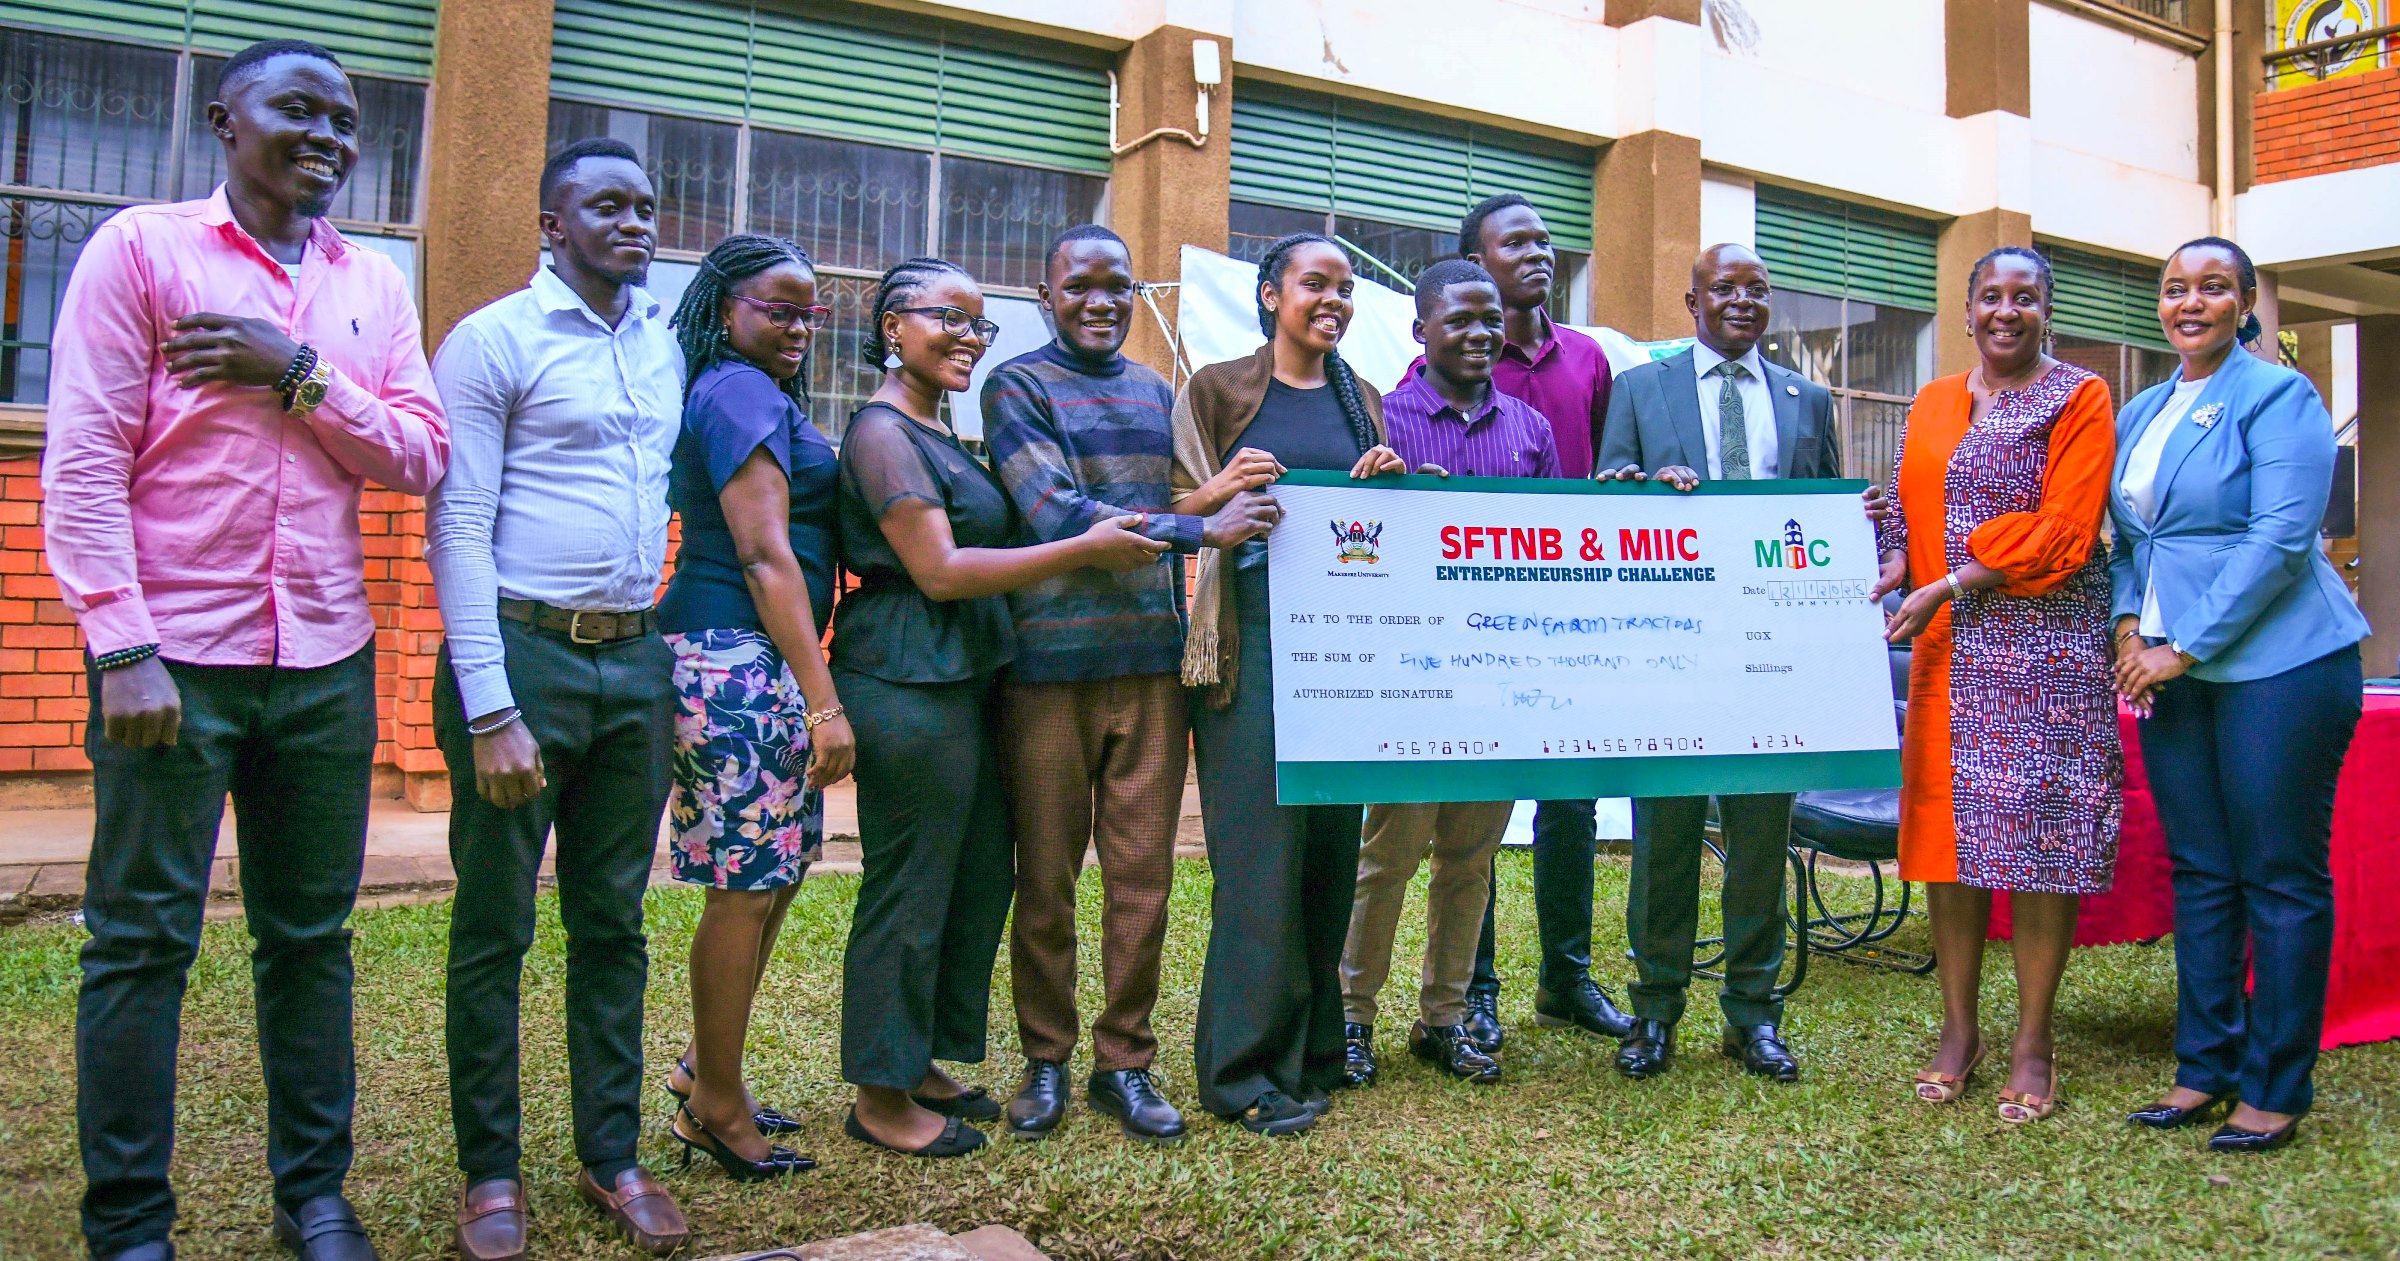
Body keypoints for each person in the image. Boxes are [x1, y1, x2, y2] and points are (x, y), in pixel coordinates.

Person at [43, 39, 447, 1261]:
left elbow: (419, 453)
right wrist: (120, 646)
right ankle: (127, 1225)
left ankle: (313, 1199)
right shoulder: (142, 251)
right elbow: (84, 457)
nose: (329, 134)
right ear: (226, 119)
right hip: (175, 658)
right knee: (140, 939)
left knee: (308, 938)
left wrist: (301, 375)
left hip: (325, 659)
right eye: (300, 110)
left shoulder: (372, 285)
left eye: (347, 119)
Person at [835, 257, 1169, 1158]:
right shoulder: (880, 434)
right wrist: (1082, 553)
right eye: (948, 317)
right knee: (907, 886)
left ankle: (916, 1063)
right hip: (909, 678)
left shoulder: (931, 426)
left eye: (979, 326)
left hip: (967, 676)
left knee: (971, 873)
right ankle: (878, 1091)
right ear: (892, 324)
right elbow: (940, 570)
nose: (968, 340)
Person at [424, 138, 688, 1257]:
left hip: (632, 659)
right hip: (522, 654)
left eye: (644, 206)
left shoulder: (662, 344)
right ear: (550, 224)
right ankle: (490, 1175)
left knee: (612, 922)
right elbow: (457, 523)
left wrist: (654, 669)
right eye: (606, 206)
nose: (633, 223)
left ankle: (611, 1155)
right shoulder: (492, 340)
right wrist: (490, 706)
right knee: (495, 924)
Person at [982, 226, 1279, 1145]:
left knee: (1143, 880)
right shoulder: (1016, 386)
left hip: (1151, 666)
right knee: (1049, 878)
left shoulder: (1160, 393)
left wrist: (1225, 504)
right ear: (1045, 293)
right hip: (1046, 671)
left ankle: (1126, 1062)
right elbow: (1055, 512)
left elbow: (1196, 497)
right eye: (1081, 286)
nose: (1103, 301)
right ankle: (1045, 1059)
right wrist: (1203, 529)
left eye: (1118, 285)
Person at [2112, 238, 2370, 1153]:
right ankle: (2204, 1068)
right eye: (2175, 289)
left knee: (2279, 875)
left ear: (2246, 301)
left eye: (2212, 288)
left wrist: (2182, 644)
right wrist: (2127, 631)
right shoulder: (2144, 408)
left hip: (2282, 668)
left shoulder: (2278, 395)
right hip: (2170, 668)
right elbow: (2131, 544)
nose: (2191, 303)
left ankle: (2274, 1084)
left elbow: (2281, 536)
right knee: (2202, 871)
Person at [1871, 245, 2121, 1125]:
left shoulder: (2080, 396)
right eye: (1990, 296)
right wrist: (1898, 549)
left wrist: (1952, 579)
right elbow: (1914, 505)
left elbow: (2065, 530)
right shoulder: (1936, 399)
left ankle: (2033, 1041)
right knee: (1951, 842)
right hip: (1949, 652)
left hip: (2043, 654)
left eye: (2025, 297)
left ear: (2046, 310)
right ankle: (1959, 1030)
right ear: (1968, 308)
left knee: (2039, 843)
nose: (2005, 310)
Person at [1589, 243, 1840, 1083]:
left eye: (1758, 289)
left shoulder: (1810, 399)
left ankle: (1752, 1014)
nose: (1742, 300)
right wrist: (1631, 486)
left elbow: (1825, 525)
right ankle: (1654, 1009)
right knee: (1664, 832)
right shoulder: (1640, 389)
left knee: (1761, 834)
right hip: (1673, 650)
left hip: (1768, 653)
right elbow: (1607, 506)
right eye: (1724, 288)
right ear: (1691, 299)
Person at [1175, 233, 1407, 1136]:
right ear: (1271, 294)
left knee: (1324, 859)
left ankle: (1311, 1053)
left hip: (1341, 659)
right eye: (1316, 284)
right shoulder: (1221, 389)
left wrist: (1389, 482)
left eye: (1346, 289)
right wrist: (1219, 493)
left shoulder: (1368, 404)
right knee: (1260, 861)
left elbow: (1381, 536)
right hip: (1250, 650)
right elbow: (1169, 509)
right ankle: (1240, 1072)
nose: (1334, 300)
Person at [653, 234, 852, 1180]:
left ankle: (708, 1070)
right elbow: (763, 554)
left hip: (755, 656)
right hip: (735, 654)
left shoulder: (756, 391)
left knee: (773, 872)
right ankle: (717, 1104)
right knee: (746, 880)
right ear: (724, 306)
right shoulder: (734, 390)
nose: (799, 326)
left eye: (810, 311)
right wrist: (822, 700)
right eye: (779, 308)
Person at [1337, 260, 1555, 1089]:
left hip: (1500, 679)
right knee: (1387, 854)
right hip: (1412, 676)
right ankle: (1353, 1019)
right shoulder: (1381, 417)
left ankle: (1445, 1018)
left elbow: (1559, 543)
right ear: (1421, 329)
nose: (1478, 334)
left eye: (1489, 319)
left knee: (1471, 855)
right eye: (1458, 319)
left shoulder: (1530, 429)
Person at [1453, 194, 1631, 1049]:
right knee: (1480, 814)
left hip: (1571, 615)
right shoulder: (1447, 369)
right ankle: (1475, 986)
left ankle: (1567, 978)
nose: (1538, 252)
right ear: (1473, 264)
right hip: (1481, 619)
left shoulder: (1589, 360)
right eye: (1514, 241)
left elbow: (1599, 473)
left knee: (1573, 803)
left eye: (1545, 240)